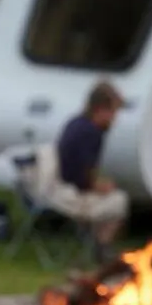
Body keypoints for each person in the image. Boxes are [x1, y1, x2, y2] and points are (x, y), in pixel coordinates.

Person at [51, 81, 130, 261]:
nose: (114, 119)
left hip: (58, 187)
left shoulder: (75, 123)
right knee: (119, 201)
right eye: (113, 112)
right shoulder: (92, 133)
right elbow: (84, 175)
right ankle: (102, 247)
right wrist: (99, 186)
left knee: (109, 196)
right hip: (73, 194)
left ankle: (97, 243)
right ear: (100, 110)